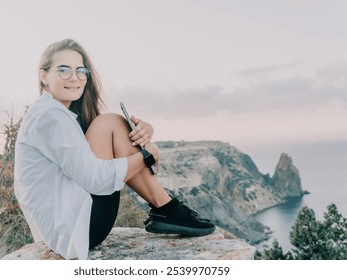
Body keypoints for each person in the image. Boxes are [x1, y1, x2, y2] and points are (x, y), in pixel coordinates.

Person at [13, 38, 215, 260]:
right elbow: (95, 179)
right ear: (43, 76)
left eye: (81, 71)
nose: (74, 78)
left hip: (69, 227)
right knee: (109, 123)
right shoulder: (50, 116)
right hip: (79, 229)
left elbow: (98, 153)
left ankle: (167, 210)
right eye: (63, 70)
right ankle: (168, 209)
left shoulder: (53, 113)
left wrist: (141, 132)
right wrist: (146, 156)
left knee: (111, 124)